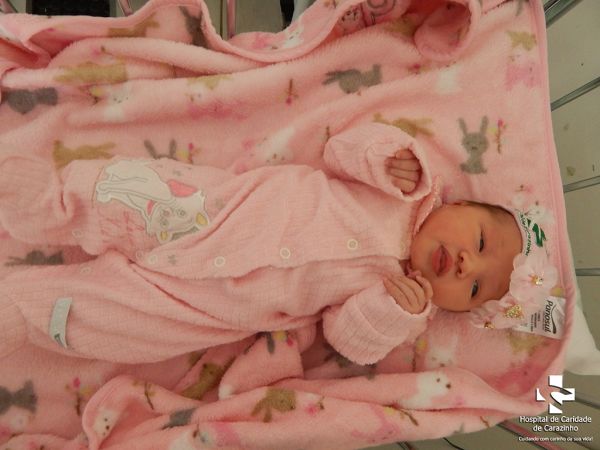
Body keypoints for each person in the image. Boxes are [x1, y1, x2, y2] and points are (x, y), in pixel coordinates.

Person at [0, 123, 556, 365]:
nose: (465, 264)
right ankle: (40, 200)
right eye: (480, 240)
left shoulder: (406, 309)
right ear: (455, 205)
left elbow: (347, 340)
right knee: (129, 193)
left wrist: (388, 313)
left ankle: (24, 312)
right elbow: (341, 151)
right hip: (214, 214)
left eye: (475, 287)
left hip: (219, 302)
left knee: (130, 323)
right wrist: (387, 158)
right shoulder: (404, 190)